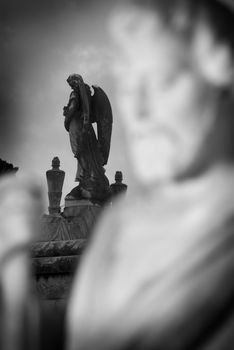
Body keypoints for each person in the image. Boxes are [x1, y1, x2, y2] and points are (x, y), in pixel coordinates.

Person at [66, 1, 234, 349]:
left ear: (224, 78)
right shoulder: (119, 226)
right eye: (128, 87)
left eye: (163, 80)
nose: (137, 111)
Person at [63, 74, 111, 202]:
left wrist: (67, 116)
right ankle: (90, 178)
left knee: (81, 153)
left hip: (77, 125)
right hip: (87, 127)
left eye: (71, 84)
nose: (71, 86)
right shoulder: (87, 95)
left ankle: (86, 180)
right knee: (88, 153)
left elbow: (72, 108)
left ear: (75, 82)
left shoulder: (75, 94)